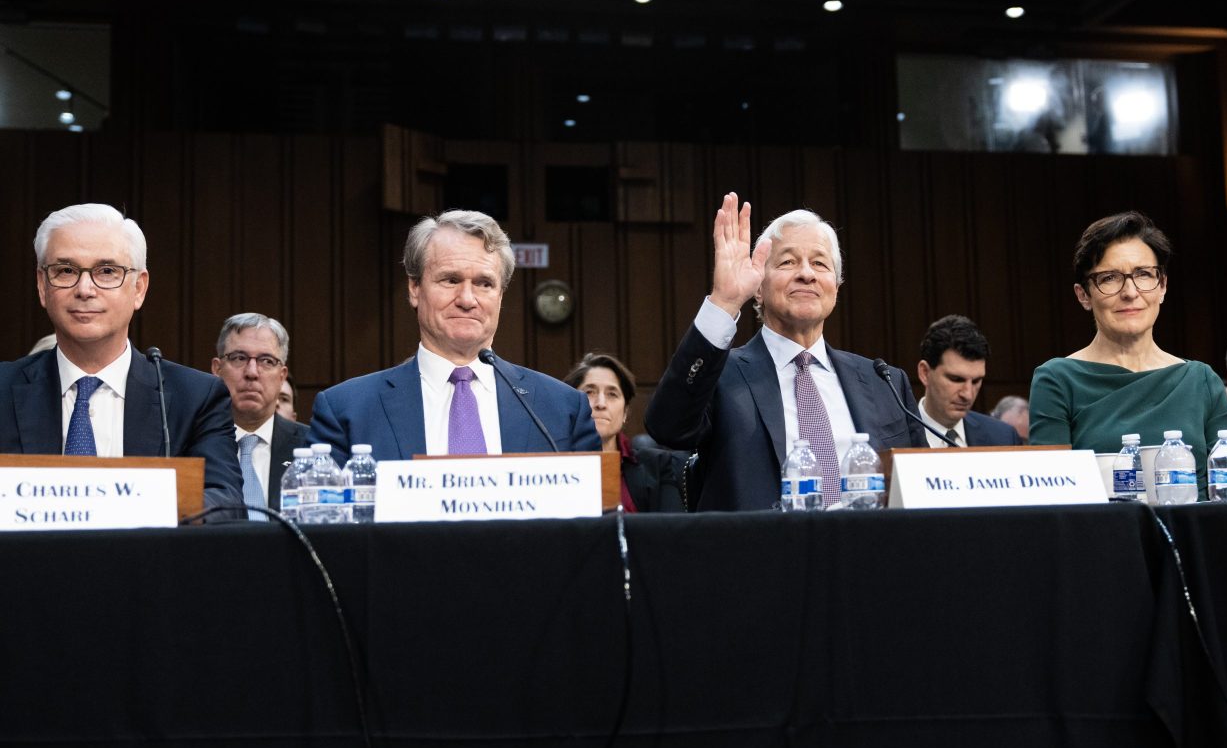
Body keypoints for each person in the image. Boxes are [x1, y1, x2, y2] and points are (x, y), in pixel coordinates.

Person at [645, 193, 927, 511]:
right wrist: (723, 303)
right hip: (764, 554)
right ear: (758, 288)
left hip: (869, 554)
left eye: (820, 263)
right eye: (788, 262)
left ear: (836, 285)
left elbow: (920, 490)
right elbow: (668, 428)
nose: (806, 273)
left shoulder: (883, 381)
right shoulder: (721, 376)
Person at [0, 203, 243, 518]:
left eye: (106, 271)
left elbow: (226, 503)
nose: (84, 289)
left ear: (139, 288)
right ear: (42, 286)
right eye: (65, 270)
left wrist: (116, 509)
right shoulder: (4, 391)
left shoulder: (196, 398)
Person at [309, 209, 599, 463]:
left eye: (484, 283)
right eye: (451, 280)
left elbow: (596, 518)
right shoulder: (346, 412)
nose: (467, 299)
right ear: (414, 288)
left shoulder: (563, 410)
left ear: (500, 296)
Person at [1029, 211, 1227, 479]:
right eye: (1109, 277)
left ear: (1163, 286)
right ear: (1083, 295)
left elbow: (1225, 489)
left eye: (1144, 274)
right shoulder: (1057, 380)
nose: (1130, 292)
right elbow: (1053, 491)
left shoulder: (1202, 380)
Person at [210, 314, 309, 518]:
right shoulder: (189, 444)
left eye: (266, 361)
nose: (252, 372)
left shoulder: (311, 446)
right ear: (217, 370)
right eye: (239, 358)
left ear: (282, 376)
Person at [564, 352, 688, 512]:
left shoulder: (658, 466)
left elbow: (671, 531)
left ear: (624, 413)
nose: (601, 403)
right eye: (589, 392)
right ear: (570, 405)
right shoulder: (547, 466)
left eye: (612, 394)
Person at [915, 315, 1022, 447]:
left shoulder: (1004, 438)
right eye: (956, 379)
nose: (968, 395)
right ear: (925, 373)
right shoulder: (890, 439)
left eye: (976, 381)